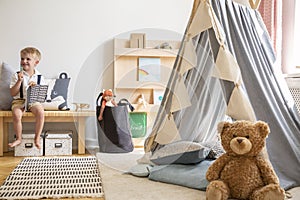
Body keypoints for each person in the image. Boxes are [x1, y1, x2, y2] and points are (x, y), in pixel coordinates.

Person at [8, 47, 45, 149]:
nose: (24, 61)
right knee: (16, 114)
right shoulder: (16, 75)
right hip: (19, 100)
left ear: (36, 63)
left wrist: (35, 87)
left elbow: (41, 95)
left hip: (33, 100)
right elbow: (12, 93)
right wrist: (19, 81)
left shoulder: (39, 77)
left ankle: (37, 138)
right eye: (22, 58)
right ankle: (19, 138)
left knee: (41, 112)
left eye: (28, 59)